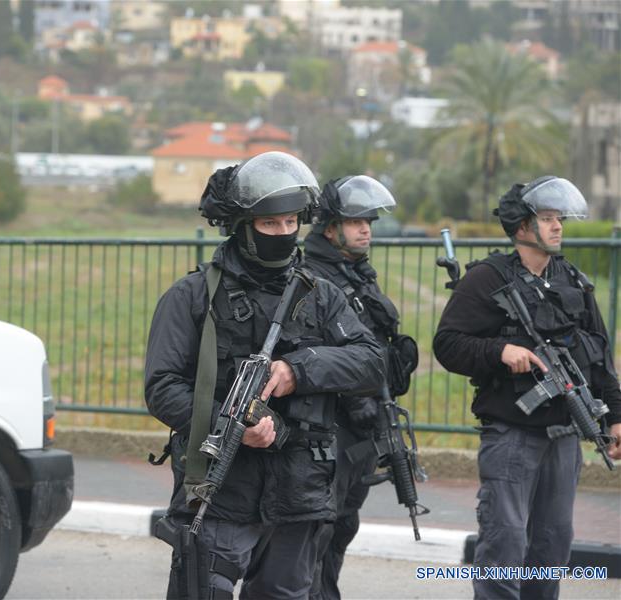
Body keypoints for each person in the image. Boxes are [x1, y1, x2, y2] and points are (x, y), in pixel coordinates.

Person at [145, 151, 385, 599]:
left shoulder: (321, 295)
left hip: (300, 491)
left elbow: (371, 361)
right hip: (220, 488)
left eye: (291, 222)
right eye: (269, 223)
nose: (283, 232)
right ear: (243, 226)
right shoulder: (193, 296)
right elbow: (162, 387)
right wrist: (231, 426)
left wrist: (299, 369)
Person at [433, 176, 621, 600]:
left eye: (560, 219)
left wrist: (616, 416)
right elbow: (447, 344)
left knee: (552, 545)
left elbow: (600, 355)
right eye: (548, 218)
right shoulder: (488, 278)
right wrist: (500, 351)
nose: (558, 227)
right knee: (505, 543)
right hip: (512, 435)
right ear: (522, 226)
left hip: (565, 436)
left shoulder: (572, 280)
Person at [302, 175, 417, 600]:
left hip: (366, 425)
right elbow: (316, 350)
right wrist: (355, 398)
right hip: (329, 426)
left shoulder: (358, 274)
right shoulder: (311, 275)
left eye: (368, 222)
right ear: (330, 228)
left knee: (344, 524)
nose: (365, 229)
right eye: (355, 222)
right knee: (317, 528)